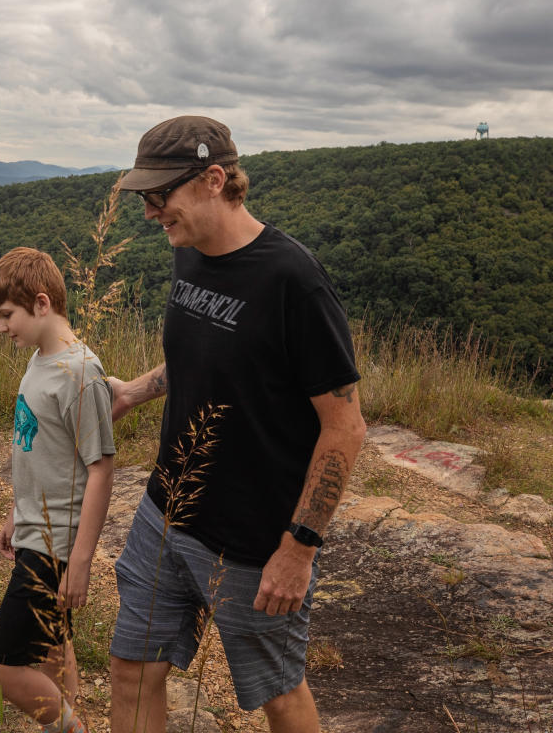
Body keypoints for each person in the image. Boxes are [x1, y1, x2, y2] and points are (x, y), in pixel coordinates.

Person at [106, 117, 367, 733]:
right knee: (130, 667)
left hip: (250, 543)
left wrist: (298, 549)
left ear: (214, 180)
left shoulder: (293, 282)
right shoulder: (189, 253)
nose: (150, 213)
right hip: (164, 513)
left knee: (277, 691)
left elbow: (345, 427)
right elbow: (204, 354)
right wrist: (135, 391)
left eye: (158, 196)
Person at [0, 247, 116, 733]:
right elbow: (43, 449)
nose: (2, 328)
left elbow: (100, 468)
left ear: (41, 304)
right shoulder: (42, 358)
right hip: (35, 530)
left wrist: (78, 561)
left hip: (54, 547)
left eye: (7, 316)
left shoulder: (79, 373)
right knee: (53, 652)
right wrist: (18, 511)